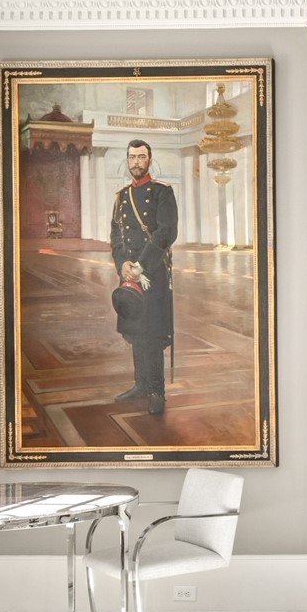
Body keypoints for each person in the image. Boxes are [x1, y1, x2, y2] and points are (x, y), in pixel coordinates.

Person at [110, 139, 176, 417]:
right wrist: (123, 263)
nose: (136, 161)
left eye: (141, 157)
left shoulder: (163, 192)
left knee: (152, 333)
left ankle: (157, 391)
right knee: (136, 332)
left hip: (153, 272)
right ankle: (140, 385)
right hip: (129, 275)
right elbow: (116, 236)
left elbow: (166, 232)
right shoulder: (121, 197)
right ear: (128, 161)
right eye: (132, 157)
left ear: (150, 160)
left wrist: (140, 265)